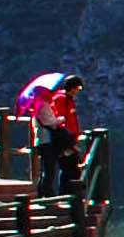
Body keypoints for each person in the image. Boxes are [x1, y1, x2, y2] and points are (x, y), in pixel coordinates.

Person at [17, 70, 83, 199]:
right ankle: (53, 195)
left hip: (50, 140)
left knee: (53, 169)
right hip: (48, 140)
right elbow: (50, 121)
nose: (50, 94)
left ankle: (54, 194)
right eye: (77, 88)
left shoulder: (49, 104)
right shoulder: (46, 105)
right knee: (52, 169)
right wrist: (61, 121)